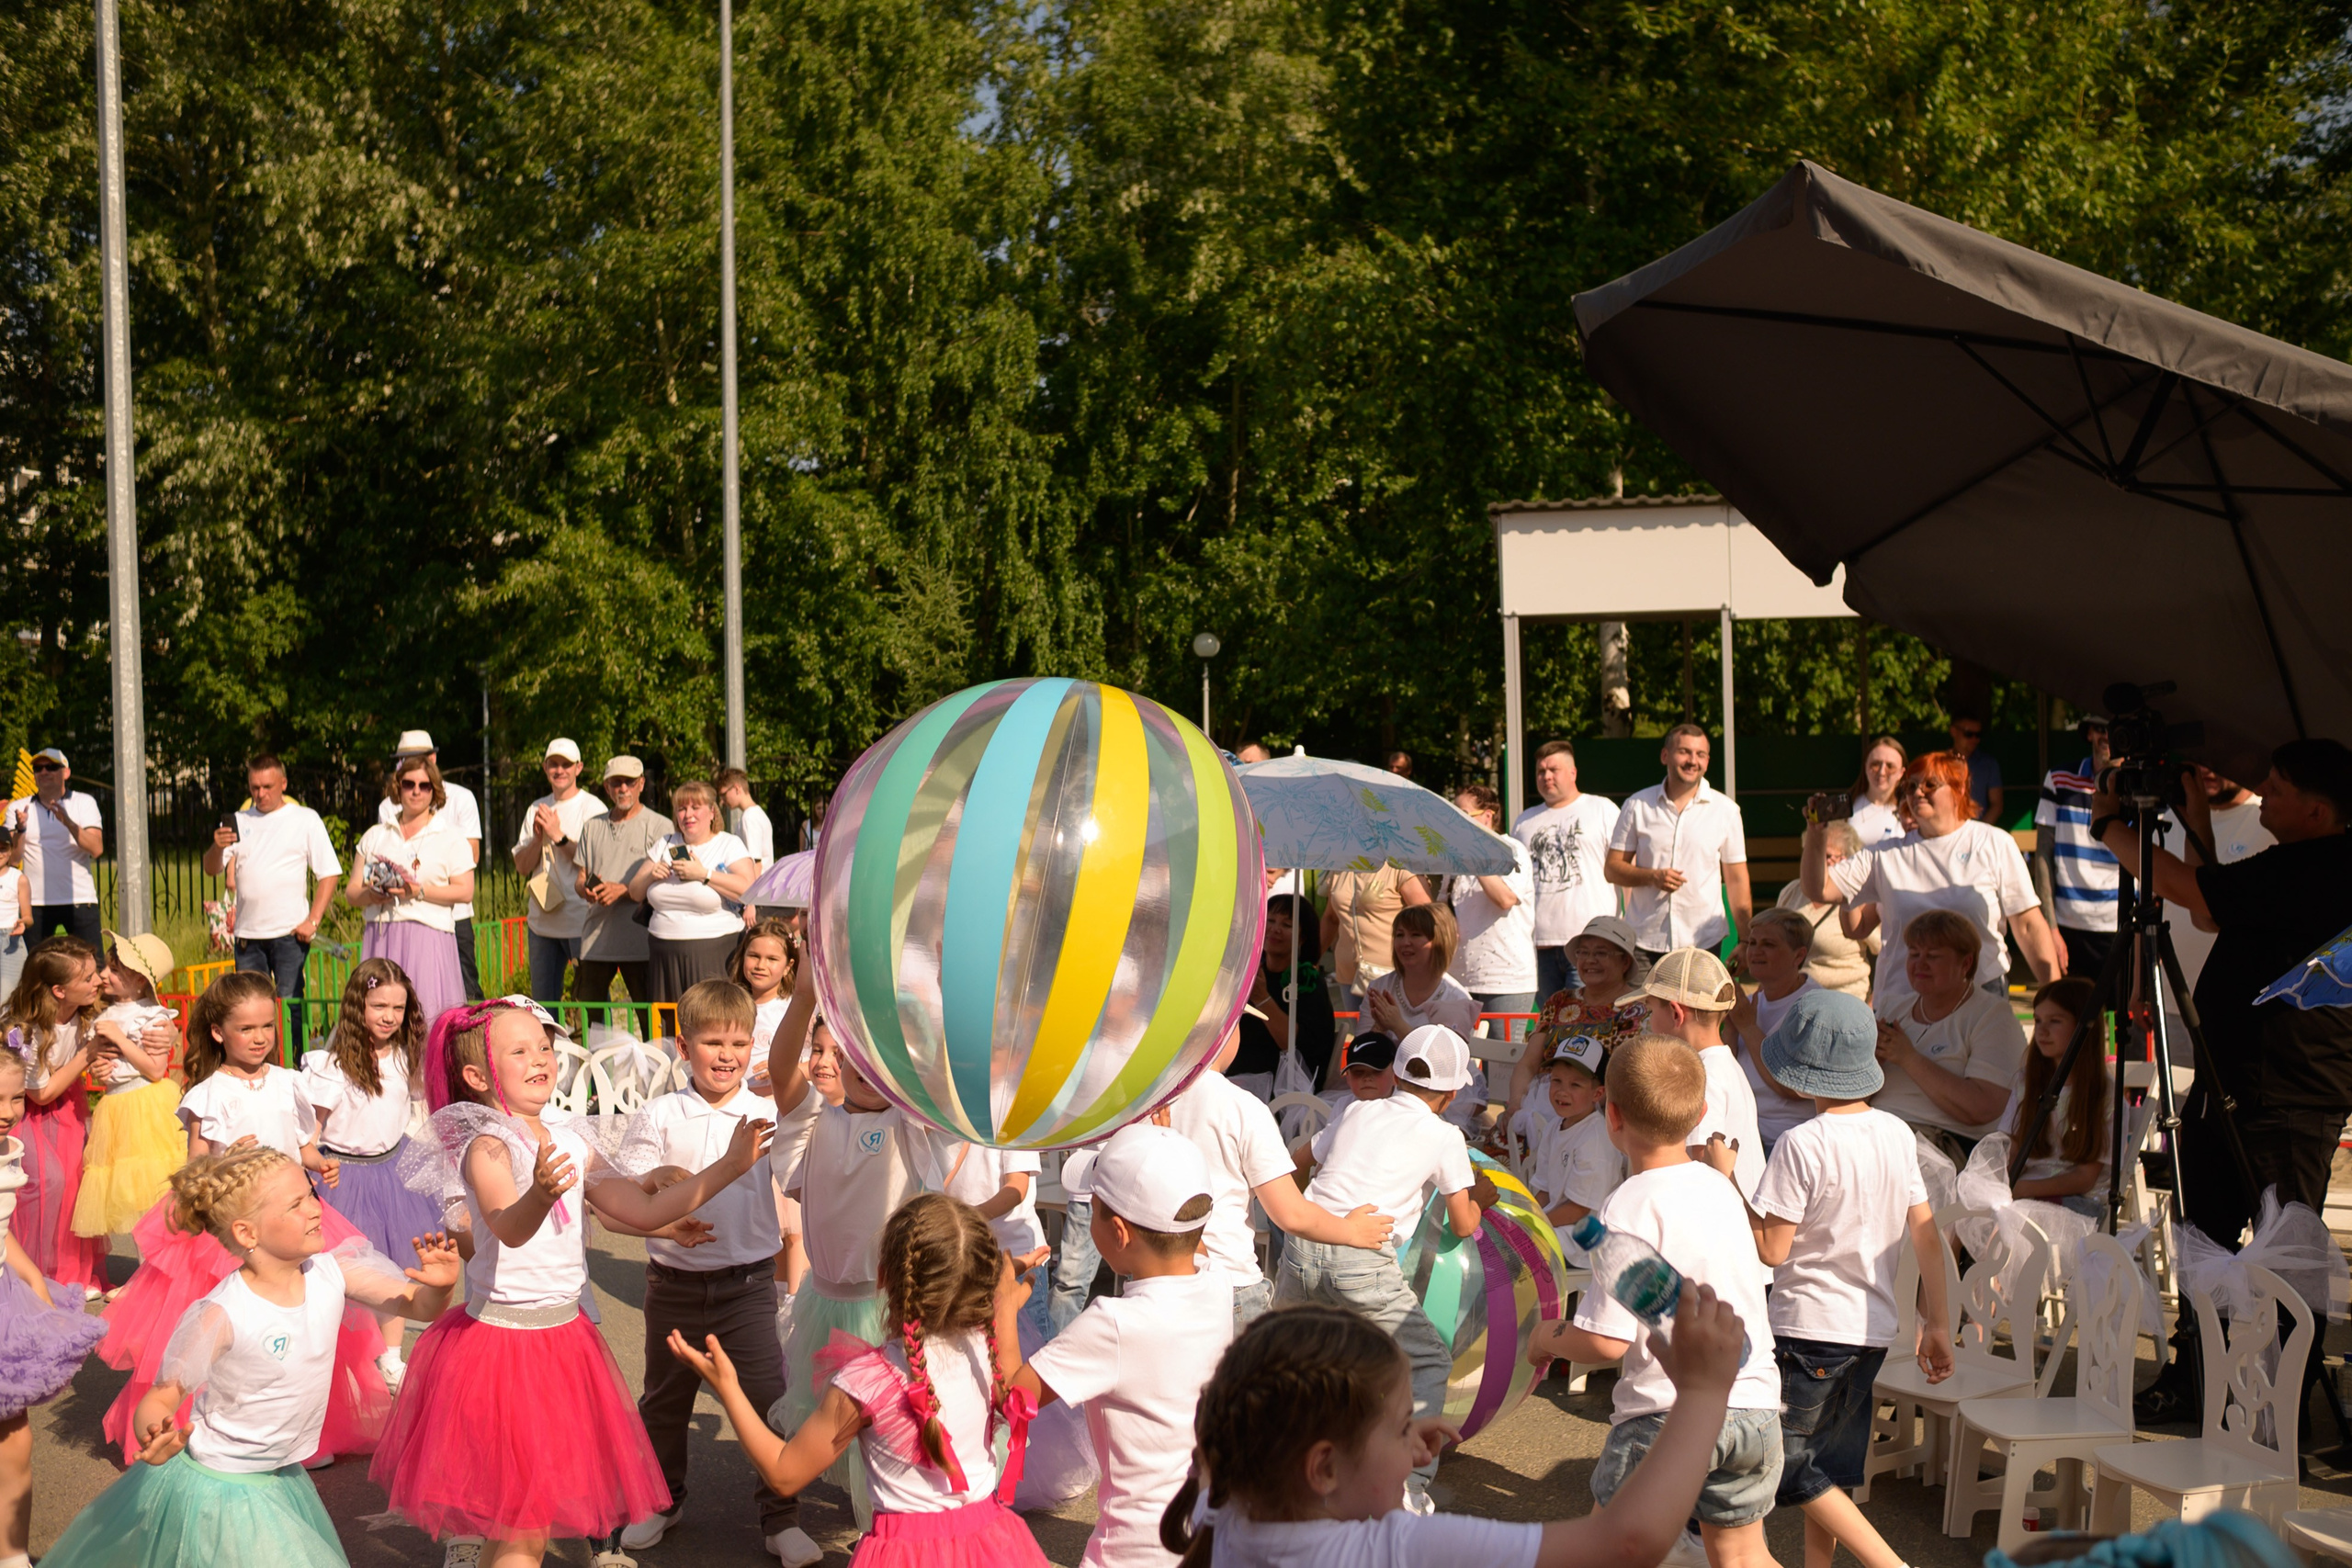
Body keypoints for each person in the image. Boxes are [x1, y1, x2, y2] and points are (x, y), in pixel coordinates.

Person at [372, 996, 773, 1567]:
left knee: (521, 1528)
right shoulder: (487, 1146)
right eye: (519, 1051)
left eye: (543, 1046)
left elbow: (642, 1210)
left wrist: (729, 1167)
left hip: (565, 1338)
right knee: (523, 1529)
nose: (540, 1057)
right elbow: (509, 1229)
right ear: (478, 1076)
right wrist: (539, 1194)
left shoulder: (572, 1137)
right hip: (504, 1349)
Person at [40, 1147, 459, 1568]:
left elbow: (415, 1304)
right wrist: (154, 1432)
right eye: (295, 1205)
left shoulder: (331, 1272)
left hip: (279, 1474)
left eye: (311, 1194)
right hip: (225, 1487)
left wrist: (439, 1289)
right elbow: (162, 1396)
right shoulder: (223, 1313)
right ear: (247, 1233)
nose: (315, 1208)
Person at [1165, 1292, 1746, 1568]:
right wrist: (1702, 1394)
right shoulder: (1393, 1550)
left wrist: (1381, 1446)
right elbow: (1625, 1545)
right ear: (1323, 1467)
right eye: (1400, 1427)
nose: (1413, 1442)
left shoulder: (1232, 1500)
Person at [96, 970, 388, 1466]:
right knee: (235, 1331)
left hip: (289, 1221)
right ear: (218, 1032)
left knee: (302, 1325)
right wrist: (225, 1159)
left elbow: (301, 1143)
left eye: (267, 1026)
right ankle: (212, 1429)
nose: (259, 1038)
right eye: (246, 1029)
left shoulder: (289, 1082)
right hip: (233, 1231)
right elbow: (193, 1169)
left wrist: (318, 1162)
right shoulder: (209, 1093)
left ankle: (300, 1434)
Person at [1705, 989, 1955, 1568]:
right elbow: (1926, 1235)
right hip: (1872, 1331)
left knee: (1792, 1469)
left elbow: (1772, 1249)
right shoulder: (1896, 1132)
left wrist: (1725, 1178)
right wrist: (1939, 1322)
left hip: (1808, 1330)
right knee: (1829, 1472)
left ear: (1800, 1072)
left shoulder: (1801, 1143)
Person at [664, 1193, 1048, 1568]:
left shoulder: (868, 1381)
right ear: (982, 1285)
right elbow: (1014, 1385)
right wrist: (1004, 1304)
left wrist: (728, 1387)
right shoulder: (987, 1353)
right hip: (991, 1542)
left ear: (882, 1277)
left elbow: (784, 1474)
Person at [2091, 739, 2352, 1271]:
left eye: (2277, 787)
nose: (2264, 793)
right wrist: (2198, 824)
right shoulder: (2298, 865)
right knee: (2202, 1243)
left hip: (2287, 1097)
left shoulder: (2319, 868)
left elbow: (2183, 888)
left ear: (2316, 812)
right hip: (2234, 1084)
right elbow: (2212, 912)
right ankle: (2204, 1331)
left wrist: (2106, 825)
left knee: (2287, 1262)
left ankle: (2283, 1335)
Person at [1527, 1034, 1785, 1568]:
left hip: (1663, 1413)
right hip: (1754, 1404)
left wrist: (1546, 1336)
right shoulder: (1720, 1187)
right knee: (1741, 1556)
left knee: (1608, 1550)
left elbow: (1605, 1341)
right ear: (1702, 1113)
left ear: (1611, 1115)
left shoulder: (1627, 1206)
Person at [615, 979, 824, 1566]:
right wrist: (651, 1185)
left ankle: (780, 1518)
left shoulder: (767, 1111)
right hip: (671, 1287)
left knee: (768, 1399)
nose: (727, 1055)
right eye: (712, 1042)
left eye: (739, 1042)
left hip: (749, 1286)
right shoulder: (659, 1114)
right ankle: (662, 1501)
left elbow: (805, 1168)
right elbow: (628, 1192)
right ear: (684, 1047)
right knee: (663, 1401)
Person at [1279, 1023, 1493, 1505]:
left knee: (1300, 1357)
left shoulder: (1358, 1110)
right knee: (1428, 1360)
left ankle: (1288, 1469)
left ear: (1394, 1075)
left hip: (1303, 1245)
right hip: (1362, 1263)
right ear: (1453, 1094)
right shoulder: (1445, 1135)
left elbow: (1297, 1159)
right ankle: (1408, 1489)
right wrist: (1480, 1198)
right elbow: (1463, 1224)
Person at [1016, 1122, 1232, 1568]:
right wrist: (1168, 1155)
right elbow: (1190, 1237)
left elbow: (1014, 1397)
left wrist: (1003, 1305)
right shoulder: (1217, 1282)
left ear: (1118, 1232)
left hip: (1130, 1549)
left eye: (1092, 1208)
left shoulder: (1112, 1324)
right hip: (1203, 1536)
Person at [763, 963, 925, 1529]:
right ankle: (874, 1528)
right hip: (826, 1304)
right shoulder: (815, 1120)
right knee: (838, 1424)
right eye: (835, 1052)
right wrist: (805, 994)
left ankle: (888, 1534)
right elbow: (781, 1069)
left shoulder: (911, 1125)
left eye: (873, 1055)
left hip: (887, 1309)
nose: (855, 1065)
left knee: (893, 1429)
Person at [1165, 1027, 1395, 1330]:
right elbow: (1290, 1214)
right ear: (1228, 1027)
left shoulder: (1146, 1099)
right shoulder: (1241, 1106)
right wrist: (1351, 1230)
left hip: (1156, 1278)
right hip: (1227, 1281)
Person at [1802, 750, 2061, 998]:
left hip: (1980, 999)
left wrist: (2056, 996)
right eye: (1911, 786)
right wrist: (1816, 833)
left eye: (1930, 785)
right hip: (1902, 1004)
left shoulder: (1993, 842)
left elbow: (2028, 925)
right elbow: (1819, 889)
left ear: (1959, 790)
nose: (1918, 792)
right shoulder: (1884, 854)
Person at [300, 957, 447, 1389]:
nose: (389, 1016)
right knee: (345, 1271)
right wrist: (312, 1167)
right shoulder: (332, 1067)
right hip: (344, 1177)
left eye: (398, 1008)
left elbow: (413, 1102)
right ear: (357, 1006)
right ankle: (348, 1359)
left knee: (395, 1266)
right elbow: (311, 1133)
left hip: (395, 1171)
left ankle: (392, 1357)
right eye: (379, 1006)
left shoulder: (403, 1056)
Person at [0, 1045, 107, 1567]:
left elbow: (3, 1234)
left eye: (15, 1098)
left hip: (5, 1303)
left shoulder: (9, 1148)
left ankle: (13, 1555)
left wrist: (39, 1293)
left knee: (15, 1439)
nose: (7, 1112)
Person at [1869, 910, 2027, 1163]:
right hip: (1873, 1131)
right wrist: (1868, 1064)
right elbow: (1856, 1094)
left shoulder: (1993, 1016)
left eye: (1933, 956)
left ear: (1965, 963)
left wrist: (1909, 1059)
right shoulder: (1892, 1007)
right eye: (1914, 954)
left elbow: (1982, 1108)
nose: (1920, 964)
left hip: (1939, 1147)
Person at [204, 754, 343, 1030]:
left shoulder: (304, 819)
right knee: (249, 1009)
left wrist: (313, 921)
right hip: (248, 935)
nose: (261, 794)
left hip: (289, 933)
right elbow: (211, 869)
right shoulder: (238, 820)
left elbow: (329, 873)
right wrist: (217, 847)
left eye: (267, 786)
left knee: (290, 1004)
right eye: (255, 787)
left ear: (283, 784)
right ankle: (260, 1057)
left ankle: (293, 1055)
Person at [6, 937, 109, 1291]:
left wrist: (102, 1064)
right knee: (45, 1184)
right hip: (29, 1115)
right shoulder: (28, 1030)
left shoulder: (86, 1012)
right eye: (88, 978)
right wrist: (88, 1055)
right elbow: (41, 1092)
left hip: (67, 1107)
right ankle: (34, 1270)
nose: (98, 981)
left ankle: (69, 1270)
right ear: (59, 991)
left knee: (77, 1183)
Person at [1624, 948, 1764, 1203]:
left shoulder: (1704, 1076)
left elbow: (1702, 1161)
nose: (1648, 1023)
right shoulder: (1721, 1064)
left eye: (1651, 1011)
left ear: (1676, 1014)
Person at [1605, 724, 1752, 963]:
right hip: (1644, 940)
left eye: (1700, 754)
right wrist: (1652, 877)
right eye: (1684, 752)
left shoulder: (1726, 811)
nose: (1692, 761)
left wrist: (1746, 940)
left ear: (1707, 761)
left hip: (1704, 941)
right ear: (1665, 756)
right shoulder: (1637, 805)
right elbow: (1612, 869)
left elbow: (1736, 879)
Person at [350, 755, 477, 1027]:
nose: (416, 791)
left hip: (428, 935)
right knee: (379, 1019)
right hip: (381, 934)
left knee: (426, 1020)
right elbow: (351, 893)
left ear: (434, 790)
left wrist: (417, 891)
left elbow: (465, 891)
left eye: (424, 785)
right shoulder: (376, 835)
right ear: (398, 787)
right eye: (409, 784)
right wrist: (373, 895)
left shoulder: (451, 836)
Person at [71, 931, 183, 1238]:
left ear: (139, 980)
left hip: (146, 1107)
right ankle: (143, 1263)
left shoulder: (151, 1016)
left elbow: (156, 1069)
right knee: (129, 1195)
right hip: (115, 1109)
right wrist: (100, 1069)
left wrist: (121, 1040)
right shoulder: (106, 1015)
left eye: (115, 970)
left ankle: (157, 1259)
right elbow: (103, 1065)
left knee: (153, 1191)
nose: (104, 975)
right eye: (106, 967)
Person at [378, 731, 485, 1000]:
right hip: (401, 916)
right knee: (401, 992)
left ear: (433, 759)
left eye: (417, 758)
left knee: (463, 991)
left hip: (451, 914)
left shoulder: (461, 797)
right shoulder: (387, 806)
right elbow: (385, 861)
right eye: (403, 759)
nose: (408, 764)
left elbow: (471, 856)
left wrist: (421, 885)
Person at [1512, 740, 1622, 1002]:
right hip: (1538, 945)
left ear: (1573, 773)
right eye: (1541, 771)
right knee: (1551, 1021)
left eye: (1554, 769)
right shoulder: (1524, 821)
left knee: (1589, 1018)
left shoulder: (1602, 809)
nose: (1546, 776)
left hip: (1591, 942)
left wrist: (1622, 928)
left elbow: (1623, 869)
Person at [1359, 905, 1486, 1130]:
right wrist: (1378, 1030)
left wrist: (1398, 1026)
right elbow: (1361, 1053)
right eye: (1400, 935)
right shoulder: (1380, 987)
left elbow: (1445, 1064)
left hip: (1433, 1097)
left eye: (1416, 935)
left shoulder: (1455, 997)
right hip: (1380, 1090)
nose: (1405, 942)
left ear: (1439, 941)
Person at [632, 780, 759, 1002]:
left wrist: (704, 874)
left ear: (712, 812)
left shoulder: (729, 844)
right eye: (682, 809)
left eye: (695, 807)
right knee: (669, 1020)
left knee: (709, 1015)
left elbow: (748, 889)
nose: (688, 815)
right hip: (663, 952)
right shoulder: (665, 843)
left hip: (712, 950)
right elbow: (635, 892)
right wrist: (651, 874)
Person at [574, 756, 673, 1025]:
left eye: (629, 782)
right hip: (596, 940)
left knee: (652, 1024)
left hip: (642, 940)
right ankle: (596, 1057)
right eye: (616, 783)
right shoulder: (592, 826)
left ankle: (654, 1058)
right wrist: (586, 890)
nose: (623, 789)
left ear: (641, 784)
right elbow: (580, 877)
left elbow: (668, 882)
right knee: (589, 1023)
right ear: (606, 787)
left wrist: (624, 890)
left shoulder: (661, 827)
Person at [2003, 977, 2110, 1219]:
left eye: (2055, 1021)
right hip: (2024, 1192)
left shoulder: (2103, 1093)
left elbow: (2085, 1178)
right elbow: (2013, 1148)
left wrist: (2023, 1189)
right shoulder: (2026, 1081)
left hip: (2078, 1202)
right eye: (2038, 1020)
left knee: (2012, 1219)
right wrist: (1999, 1182)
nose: (2041, 1031)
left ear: (2083, 1027)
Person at [511, 739, 608, 1004]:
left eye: (566, 764)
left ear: (579, 768)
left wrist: (558, 836)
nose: (560, 770)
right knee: (544, 1007)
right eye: (554, 764)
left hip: (582, 922)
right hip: (542, 925)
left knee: (593, 1006)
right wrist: (537, 839)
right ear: (545, 768)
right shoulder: (536, 808)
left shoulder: (593, 808)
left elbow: (598, 865)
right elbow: (522, 867)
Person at [1724, 908, 1821, 1156]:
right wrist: (1731, 1028)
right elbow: (1726, 1074)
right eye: (1752, 943)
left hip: (1785, 1140)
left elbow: (1791, 1087)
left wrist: (1747, 1027)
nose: (1755, 951)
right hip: (1741, 1132)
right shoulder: (1750, 1002)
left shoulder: (1815, 1006)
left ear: (1798, 955)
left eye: (1768, 944)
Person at [2036, 715, 2124, 978]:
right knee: (2073, 1005)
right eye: (2100, 728)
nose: (2107, 735)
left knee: (2126, 1006)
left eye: (2114, 729)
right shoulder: (2059, 779)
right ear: (2089, 733)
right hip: (2069, 925)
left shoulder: (2142, 787)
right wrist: (2050, 929)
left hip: (2124, 923)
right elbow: (2043, 855)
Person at [1451, 783, 1540, 1038]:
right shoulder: (1456, 857)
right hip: (1460, 978)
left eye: (1463, 814)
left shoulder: (1511, 849)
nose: (1456, 822)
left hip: (1506, 979)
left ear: (1487, 816)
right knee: (1460, 1058)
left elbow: (1505, 898)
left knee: (1501, 1060)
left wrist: (1474, 858)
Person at [1227, 895, 1335, 1100]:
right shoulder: (1251, 973)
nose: (1275, 929)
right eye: (1270, 920)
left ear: (1302, 937)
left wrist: (1262, 999)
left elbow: (1296, 1047)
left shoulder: (1307, 982)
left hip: (1284, 1089)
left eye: (1287, 925)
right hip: (1237, 1077)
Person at [1530, 1033, 1621, 1267]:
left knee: (1523, 1248)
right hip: (1561, 1227)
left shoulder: (1596, 1138)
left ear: (1597, 1093)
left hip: (1586, 1238)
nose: (1562, 1091)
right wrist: (1526, 1215)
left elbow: (1578, 1209)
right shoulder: (1554, 1127)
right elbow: (1544, 1191)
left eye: (1575, 1085)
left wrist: (1533, 1224)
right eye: (1556, 1081)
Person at [8, 750, 103, 949]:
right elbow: (13, 860)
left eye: (51, 767)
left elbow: (96, 849)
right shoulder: (19, 808)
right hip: (34, 904)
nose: (44, 772)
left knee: (92, 963)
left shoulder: (84, 802)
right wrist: (21, 829)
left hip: (80, 899)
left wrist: (69, 823)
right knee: (35, 966)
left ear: (66, 772)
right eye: (38, 768)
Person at [1773, 821, 1878, 1000]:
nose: (1816, 860)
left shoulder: (1859, 898)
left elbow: (1886, 954)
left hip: (1845, 1003)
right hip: (1795, 1002)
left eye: (1826, 855)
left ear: (1846, 859)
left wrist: (1872, 1004)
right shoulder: (1792, 891)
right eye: (1810, 852)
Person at [1317, 864, 1430, 1010]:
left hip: (1391, 974)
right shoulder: (1340, 868)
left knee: (1395, 1025)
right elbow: (1331, 919)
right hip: (1347, 974)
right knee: (1357, 1025)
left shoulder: (1401, 868)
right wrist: (1311, 960)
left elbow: (1429, 919)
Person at [1847, 737, 1910, 848]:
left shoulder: (1909, 810)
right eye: (1875, 764)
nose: (1881, 772)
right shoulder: (1847, 805)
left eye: (1890, 766)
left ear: (1901, 773)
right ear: (1865, 766)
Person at [1950, 714, 2004, 824]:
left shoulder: (1989, 764)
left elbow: (1997, 805)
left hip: (1977, 827)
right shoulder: (1940, 763)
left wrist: (1979, 830)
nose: (1974, 739)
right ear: (1953, 731)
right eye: (1968, 734)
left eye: (1978, 735)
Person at [717, 769, 775, 869]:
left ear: (737, 788)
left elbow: (755, 863)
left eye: (724, 794)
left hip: (759, 879)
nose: (722, 801)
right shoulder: (756, 813)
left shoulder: (749, 818)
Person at [0, 830, 27, 1004]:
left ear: (10, 851)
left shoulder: (18, 878)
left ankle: (10, 1026)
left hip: (10, 939)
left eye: (3, 848)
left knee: (9, 997)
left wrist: (23, 922)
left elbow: (28, 916)